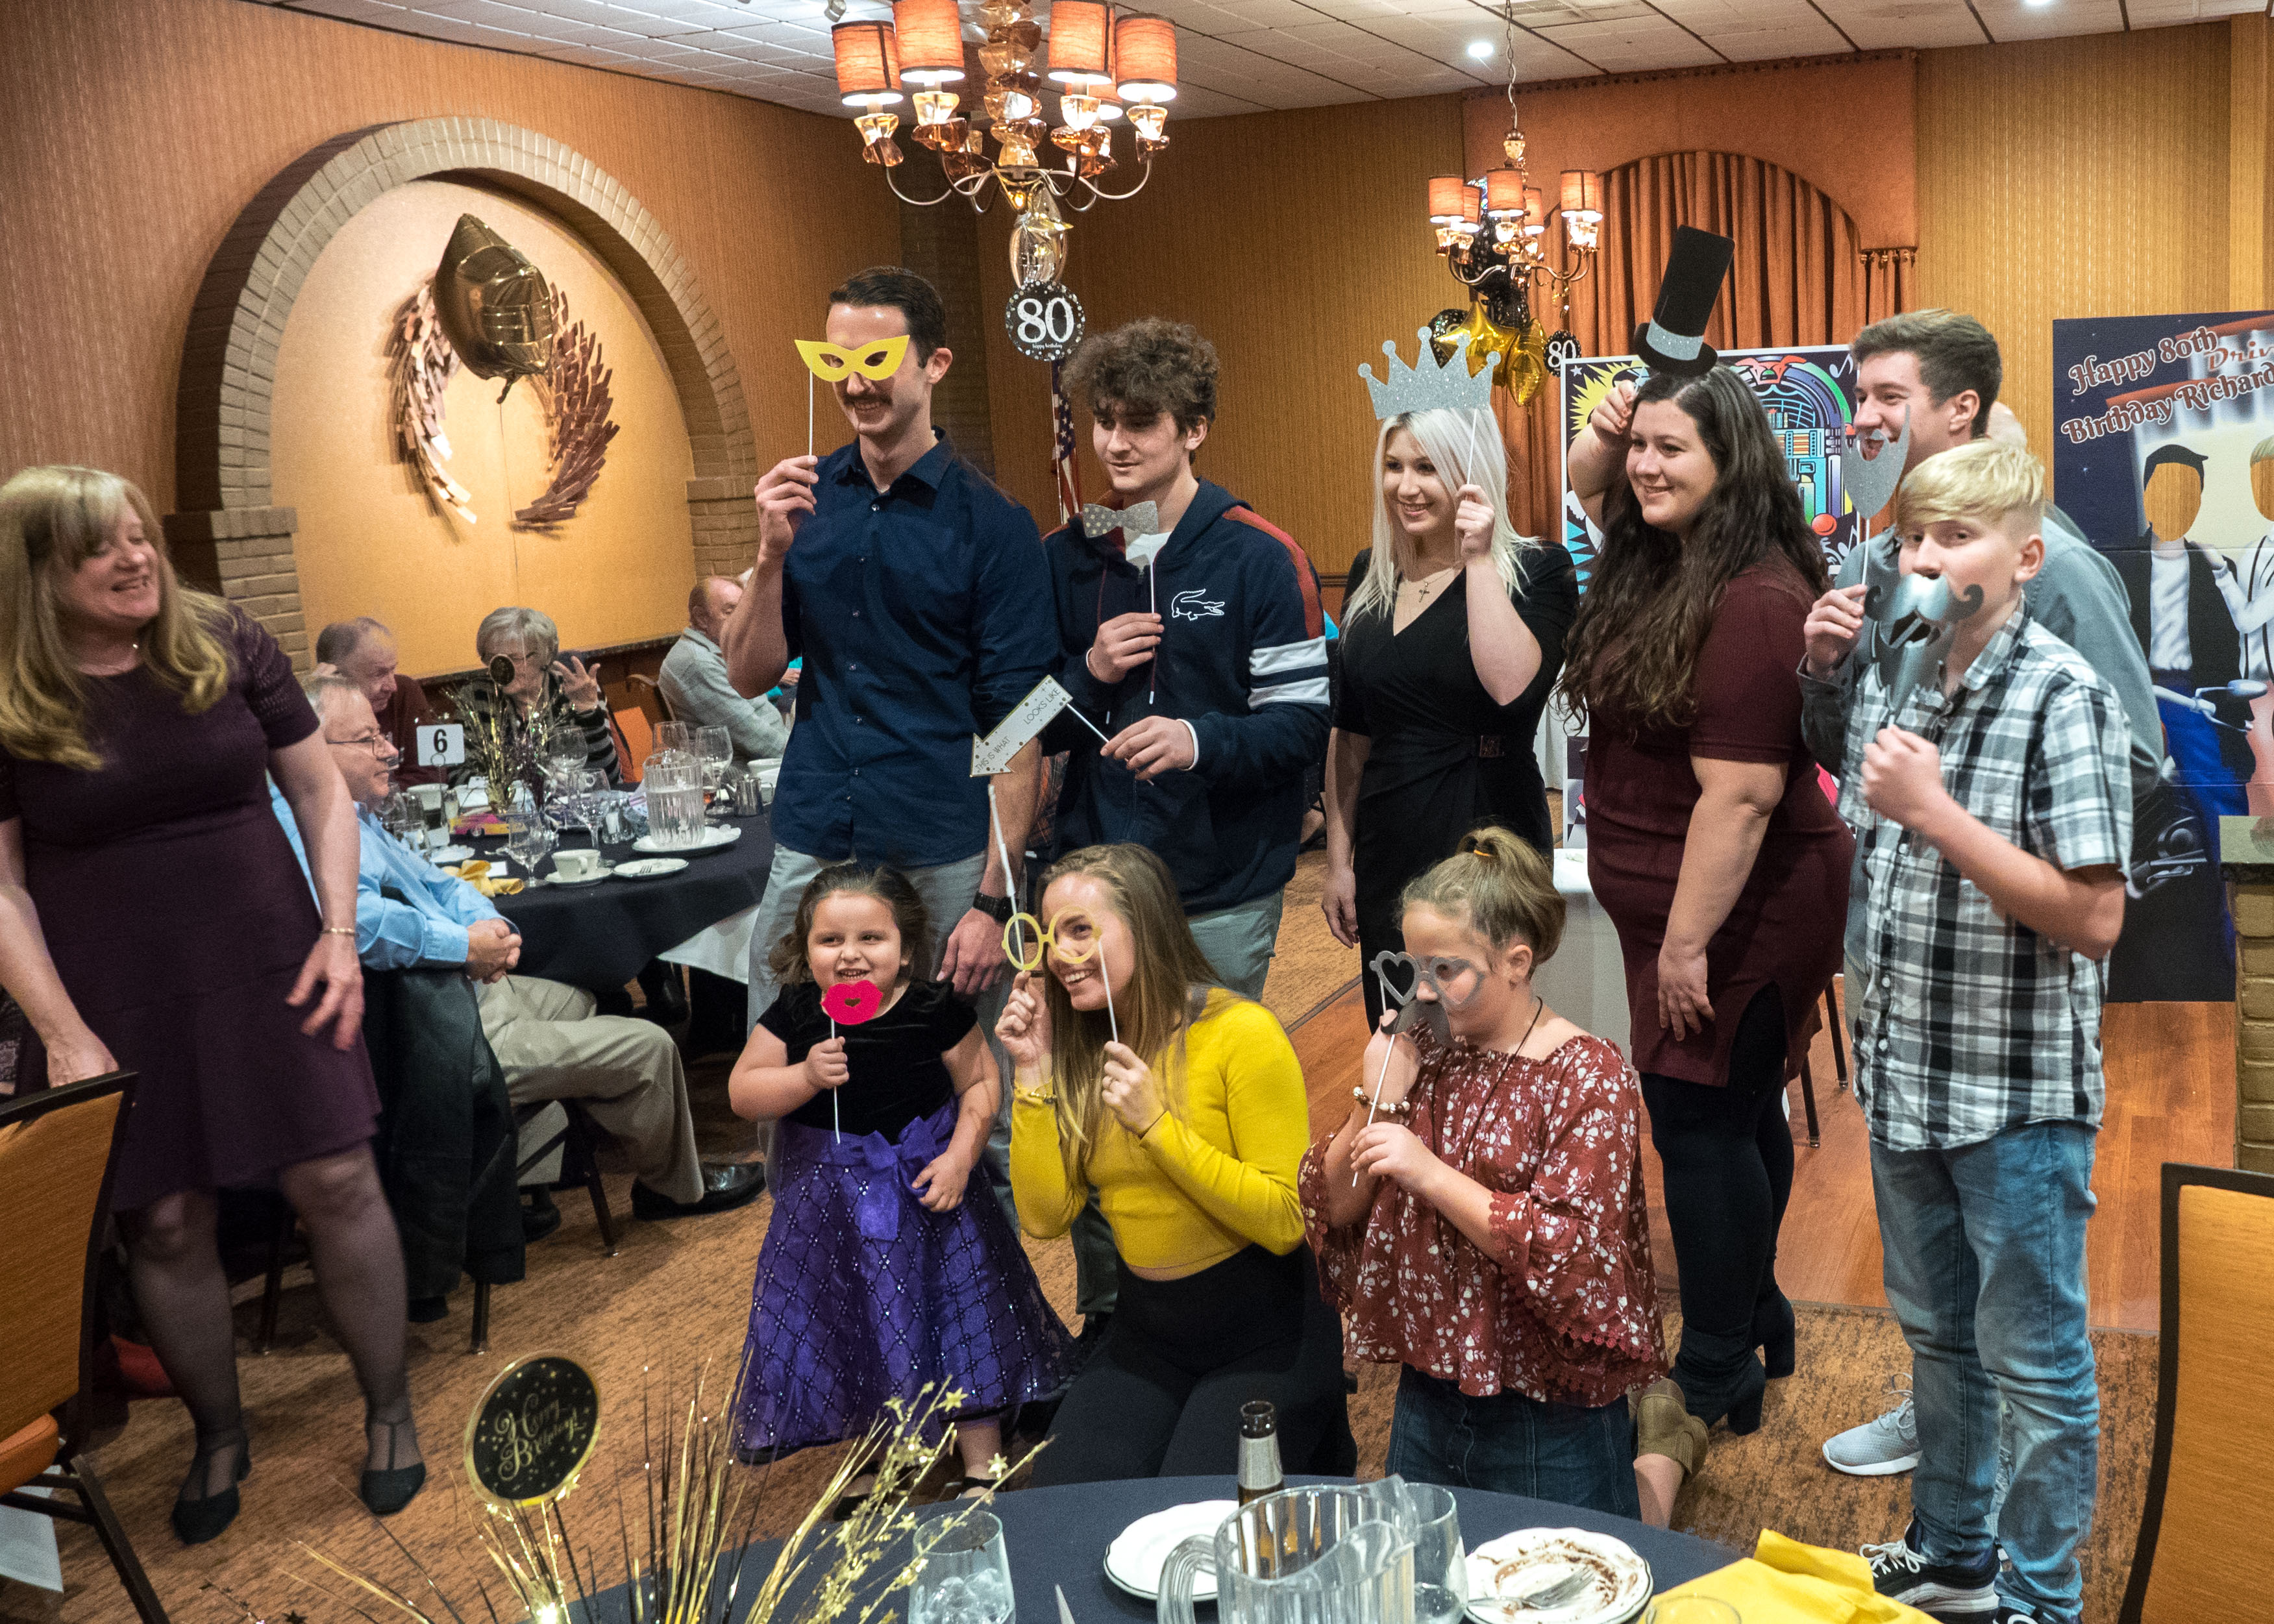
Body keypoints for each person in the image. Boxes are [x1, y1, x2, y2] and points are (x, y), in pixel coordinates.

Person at [0, 465, 423, 1540]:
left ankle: (388, 1409)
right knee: (165, 1217)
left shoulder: (225, 639)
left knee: (336, 1174)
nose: (136, 557)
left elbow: (318, 788)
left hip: (274, 955)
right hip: (108, 990)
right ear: (38, 570)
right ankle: (220, 1433)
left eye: (140, 534)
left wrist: (339, 934)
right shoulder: (7, 688)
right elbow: (2, 883)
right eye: (101, 546)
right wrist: (60, 1032)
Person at [1805, 311, 2160, 1478]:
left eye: (1886, 395)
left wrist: (1959, 812)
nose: (1862, 417)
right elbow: (1856, 763)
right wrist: (1823, 669)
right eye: (1857, 396)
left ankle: (2013, 1501)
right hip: (1905, 1006)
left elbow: (2129, 765)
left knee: (2025, 1317)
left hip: (2011, 1017)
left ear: (1957, 408)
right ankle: (1949, 1462)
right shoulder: (1878, 566)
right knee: (1937, 1298)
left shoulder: (2055, 572)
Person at [1561, 365, 1854, 1434]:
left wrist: (1683, 946)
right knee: (1731, 1111)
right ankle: (1757, 1307)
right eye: (1636, 445)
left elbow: (1740, 797)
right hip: (1681, 910)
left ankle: (1713, 1361)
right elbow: (1583, 476)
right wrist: (1612, 429)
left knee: (1695, 1126)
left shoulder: (1752, 596)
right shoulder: (1666, 559)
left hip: (1742, 908)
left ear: (1728, 462)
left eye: (1669, 449)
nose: (1642, 467)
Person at [273, 676, 764, 1225]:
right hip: (427, 1032)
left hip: (454, 998)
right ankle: (673, 1192)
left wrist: (490, 929)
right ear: (312, 749)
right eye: (369, 739)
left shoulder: (351, 815)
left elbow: (440, 883)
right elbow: (360, 925)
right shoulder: (303, 827)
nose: (390, 750)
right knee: (648, 1045)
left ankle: (509, 1186)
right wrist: (465, 947)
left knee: (579, 997)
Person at [1302, 829, 1672, 1517]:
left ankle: (1664, 1452)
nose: (1424, 992)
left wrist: (1427, 1173)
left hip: (1548, 1404)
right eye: (1413, 967)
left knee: (1584, 1564)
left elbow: (1570, 1253)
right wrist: (1373, 1101)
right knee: (1426, 1569)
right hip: (1428, 1388)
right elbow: (1331, 1205)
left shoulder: (1587, 1076)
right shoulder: (1420, 1054)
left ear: (1516, 962)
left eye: (1446, 970)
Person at [722, 266, 1048, 1042]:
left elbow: (1019, 721)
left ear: (934, 365)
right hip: (814, 833)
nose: (853, 383)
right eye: (834, 361)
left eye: (876, 361)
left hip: (939, 844)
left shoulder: (994, 524)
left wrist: (993, 899)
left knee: (959, 1064)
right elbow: (746, 674)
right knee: (785, 1050)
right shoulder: (805, 501)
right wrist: (769, 558)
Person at [996, 844, 1353, 1484]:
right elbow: (1046, 1218)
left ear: (1145, 926)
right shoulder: (1081, 1046)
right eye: (1047, 935)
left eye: (1079, 930)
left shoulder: (1240, 1033)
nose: (1058, 955)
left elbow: (1284, 1221)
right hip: (1146, 1335)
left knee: (1193, 1520)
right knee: (1060, 1504)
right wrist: (1030, 1074)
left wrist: (1158, 1130)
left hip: (1267, 1333)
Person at [728, 863, 1072, 1490]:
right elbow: (744, 1093)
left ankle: (981, 1456)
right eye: (829, 941)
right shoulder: (797, 1011)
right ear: (806, 950)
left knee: (963, 1313)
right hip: (832, 1204)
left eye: (871, 938)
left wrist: (961, 1158)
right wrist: (803, 1077)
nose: (850, 955)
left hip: (932, 1191)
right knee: (859, 1319)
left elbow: (980, 1085)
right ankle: (889, 1451)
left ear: (907, 949)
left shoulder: (933, 1008)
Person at [1042, 317, 1329, 1000]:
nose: (1115, 443)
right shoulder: (1063, 554)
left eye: (1140, 422)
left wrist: (1194, 741)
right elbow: (1018, 729)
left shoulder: (1261, 556)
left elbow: (1301, 728)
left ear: (1194, 429)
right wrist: (1090, 673)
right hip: (1092, 885)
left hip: (1220, 891)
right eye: (1104, 421)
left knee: (1211, 1065)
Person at [1323, 404, 1577, 1027]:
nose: (1406, 486)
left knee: (1481, 1023)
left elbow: (1511, 690)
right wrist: (1337, 862)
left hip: (1486, 829)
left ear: (1470, 473)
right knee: (1397, 1023)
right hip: (1389, 834)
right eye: (1393, 466)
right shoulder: (1369, 573)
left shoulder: (1537, 569)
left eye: (1428, 467)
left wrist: (1479, 559)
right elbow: (1350, 735)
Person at [454, 605, 620, 786]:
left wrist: (588, 713)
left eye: (515, 658)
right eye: (494, 658)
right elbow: (459, 777)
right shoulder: (476, 697)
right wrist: (537, 784)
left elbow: (608, 778)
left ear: (544, 656)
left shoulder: (575, 690)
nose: (501, 668)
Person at [661, 576, 789, 763]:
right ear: (701, 618)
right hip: (742, 771)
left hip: (766, 761)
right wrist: (803, 758)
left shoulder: (713, 650)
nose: (744, 620)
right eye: (731, 611)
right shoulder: (697, 663)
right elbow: (752, 736)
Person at [314, 616, 443, 787]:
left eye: (392, 670)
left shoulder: (405, 692)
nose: (392, 686)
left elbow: (433, 774)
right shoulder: (315, 718)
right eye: (379, 674)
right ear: (336, 677)